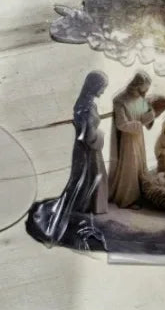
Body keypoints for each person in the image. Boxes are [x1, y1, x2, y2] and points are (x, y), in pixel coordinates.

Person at [27, 70, 109, 245]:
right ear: (94, 86)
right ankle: (68, 222)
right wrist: (101, 137)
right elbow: (88, 136)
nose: (103, 91)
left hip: (89, 150)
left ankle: (86, 221)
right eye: (102, 87)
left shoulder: (89, 104)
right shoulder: (85, 108)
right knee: (85, 185)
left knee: (89, 184)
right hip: (86, 151)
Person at [109, 71, 155, 208]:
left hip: (138, 137)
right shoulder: (120, 100)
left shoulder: (140, 98)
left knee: (140, 164)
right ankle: (128, 199)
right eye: (144, 88)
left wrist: (151, 114)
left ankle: (141, 194)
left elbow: (142, 117)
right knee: (131, 167)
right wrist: (139, 124)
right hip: (128, 139)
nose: (145, 92)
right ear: (137, 85)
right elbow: (121, 124)